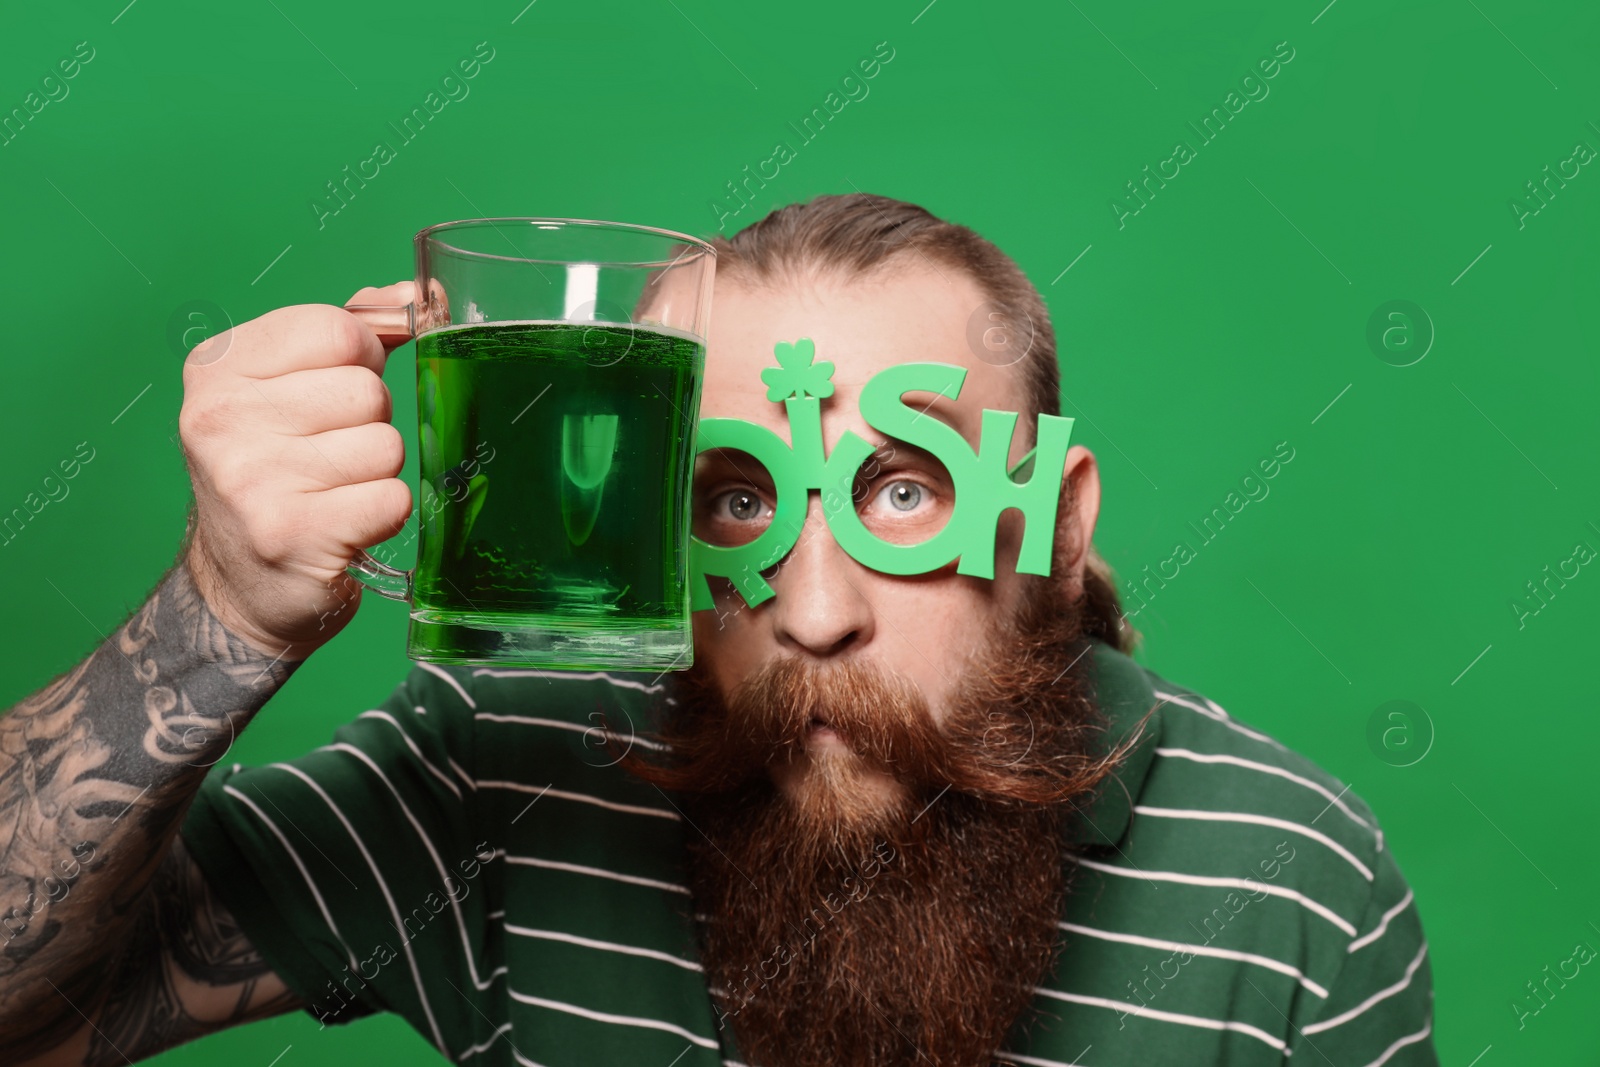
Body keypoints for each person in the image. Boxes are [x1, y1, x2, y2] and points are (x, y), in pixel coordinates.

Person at [0, 194, 1437, 1066]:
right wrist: (224, 616)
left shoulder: (1293, 891)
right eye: (737, 498)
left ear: (1057, 528)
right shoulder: (515, 782)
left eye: (900, 487)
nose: (813, 612)